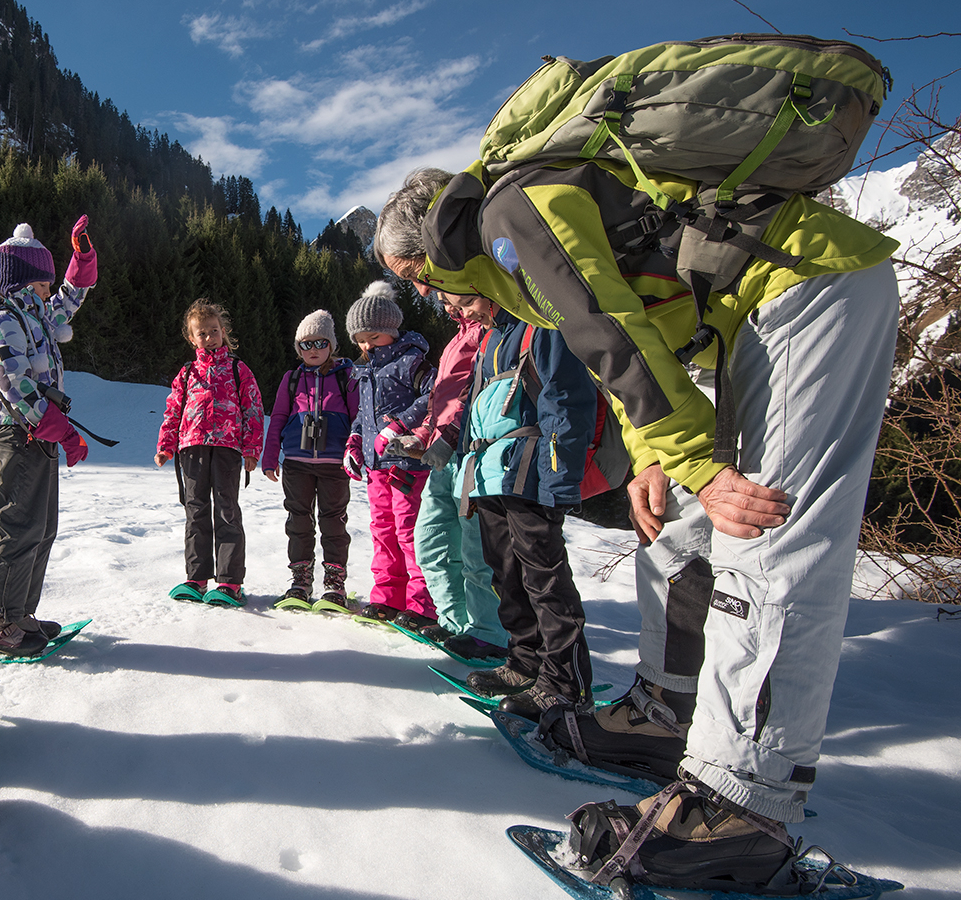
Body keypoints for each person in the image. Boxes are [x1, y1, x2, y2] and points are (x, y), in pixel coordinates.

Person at [375, 154, 899, 886]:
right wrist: (658, 453)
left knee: (765, 532)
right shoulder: (509, 254)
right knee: (675, 524)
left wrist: (699, 461)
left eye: (419, 276)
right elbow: (620, 336)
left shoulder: (511, 221)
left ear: (435, 237)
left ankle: (743, 805)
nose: (431, 296)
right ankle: (662, 713)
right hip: (723, 323)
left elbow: (608, 331)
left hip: (801, 290)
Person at [443, 289, 599, 720]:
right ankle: (525, 662)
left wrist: (559, 477)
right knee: (506, 574)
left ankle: (566, 681)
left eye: (462, 300)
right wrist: (465, 475)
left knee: (543, 579)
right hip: (490, 473)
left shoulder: (540, 325)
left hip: (530, 472)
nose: (457, 311)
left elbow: (565, 399)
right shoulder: (491, 338)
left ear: (486, 290)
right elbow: (474, 409)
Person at [0, 219, 97, 656]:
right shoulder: (3, 322)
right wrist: (62, 431)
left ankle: (19, 610)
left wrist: (81, 258)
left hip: (37, 433)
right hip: (16, 434)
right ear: (28, 280)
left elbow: (71, 298)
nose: (51, 292)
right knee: (16, 526)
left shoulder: (36, 315)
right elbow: (15, 387)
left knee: (42, 528)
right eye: (46, 282)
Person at [395, 294, 509, 660]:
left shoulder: (490, 332)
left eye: (450, 296)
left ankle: (488, 632)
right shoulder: (457, 338)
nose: (444, 305)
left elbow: (477, 391)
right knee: (432, 537)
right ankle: (455, 622)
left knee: (476, 549)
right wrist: (424, 434)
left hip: (474, 449)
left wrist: (450, 432)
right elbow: (440, 399)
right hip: (445, 456)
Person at [343, 281, 439, 634]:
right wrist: (355, 442)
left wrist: (400, 425)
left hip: (407, 464)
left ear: (390, 331)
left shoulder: (411, 362)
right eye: (360, 340)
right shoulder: (365, 371)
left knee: (409, 531)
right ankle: (387, 599)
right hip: (376, 468)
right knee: (383, 531)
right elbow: (364, 416)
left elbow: (433, 397)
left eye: (373, 337)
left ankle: (422, 605)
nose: (366, 345)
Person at [156, 299, 265, 607]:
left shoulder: (237, 368)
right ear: (192, 338)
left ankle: (230, 582)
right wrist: (166, 445)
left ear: (223, 333)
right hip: (191, 448)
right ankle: (196, 578)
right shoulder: (187, 373)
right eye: (201, 333)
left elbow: (253, 409)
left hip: (228, 448)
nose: (208, 337)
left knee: (227, 510)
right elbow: (173, 410)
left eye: (213, 331)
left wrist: (251, 449)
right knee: (196, 511)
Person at [259, 309, 358, 605]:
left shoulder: (346, 377)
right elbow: (277, 417)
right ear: (297, 348)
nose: (313, 350)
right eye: (305, 344)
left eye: (320, 343)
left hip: (334, 464)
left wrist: (356, 450)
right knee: (298, 521)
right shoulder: (291, 379)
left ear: (332, 344)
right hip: (296, 464)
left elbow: (357, 417)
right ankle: (301, 581)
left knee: (333, 522)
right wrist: (270, 456)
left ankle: (334, 582)